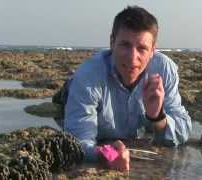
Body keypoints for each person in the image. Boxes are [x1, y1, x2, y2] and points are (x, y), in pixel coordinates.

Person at [64, 5, 192, 171]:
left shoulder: (163, 69)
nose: (132, 58)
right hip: (74, 94)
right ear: (112, 42)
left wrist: (157, 117)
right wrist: (108, 156)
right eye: (125, 45)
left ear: (153, 50)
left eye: (142, 48)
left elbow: (184, 128)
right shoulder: (88, 75)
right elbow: (78, 142)